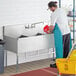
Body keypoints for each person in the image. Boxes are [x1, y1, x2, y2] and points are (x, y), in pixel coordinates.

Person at [47, 1, 72, 67]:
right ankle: (66, 62)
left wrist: (49, 31)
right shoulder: (62, 10)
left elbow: (52, 26)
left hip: (60, 33)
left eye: (49, 9)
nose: (50, 10)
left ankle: (58, 64)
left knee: (59, 48)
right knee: (67, 48)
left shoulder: (54, 13)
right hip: (67, 31)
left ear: (52, 7)